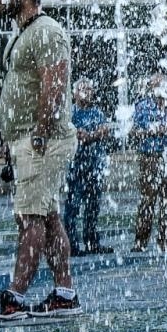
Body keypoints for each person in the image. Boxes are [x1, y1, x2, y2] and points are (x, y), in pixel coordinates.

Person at [0, 0, 82, 320]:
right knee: (47, 215)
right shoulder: (22, 31)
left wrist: (39, 133)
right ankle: (64, 293)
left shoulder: (46, 31)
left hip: (44, 141)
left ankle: (15, 295)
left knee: (30, 218)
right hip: (28, 141)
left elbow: (53, 86)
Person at [64, 77, 113, 256]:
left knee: (93, 206)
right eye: (83, 89)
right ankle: (71, 245)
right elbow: (72, 133)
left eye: (89, 89)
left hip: (94, 165)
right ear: (75, 93)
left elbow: (104, 130)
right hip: (75, 166)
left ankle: (92, 242)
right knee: (72, 206)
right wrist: (91, 134)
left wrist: (90, 135)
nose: (87, 93)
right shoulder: (69, 112)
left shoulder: (97, 112)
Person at [130, 73, 167, 252]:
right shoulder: (142, 107)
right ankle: (141, 240)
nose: (158, 87)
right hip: (149, 157)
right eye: (154, 84)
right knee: (147, 200)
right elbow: (133, 131)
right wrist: (150, 130)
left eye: (161, 83)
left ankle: (164, 240)